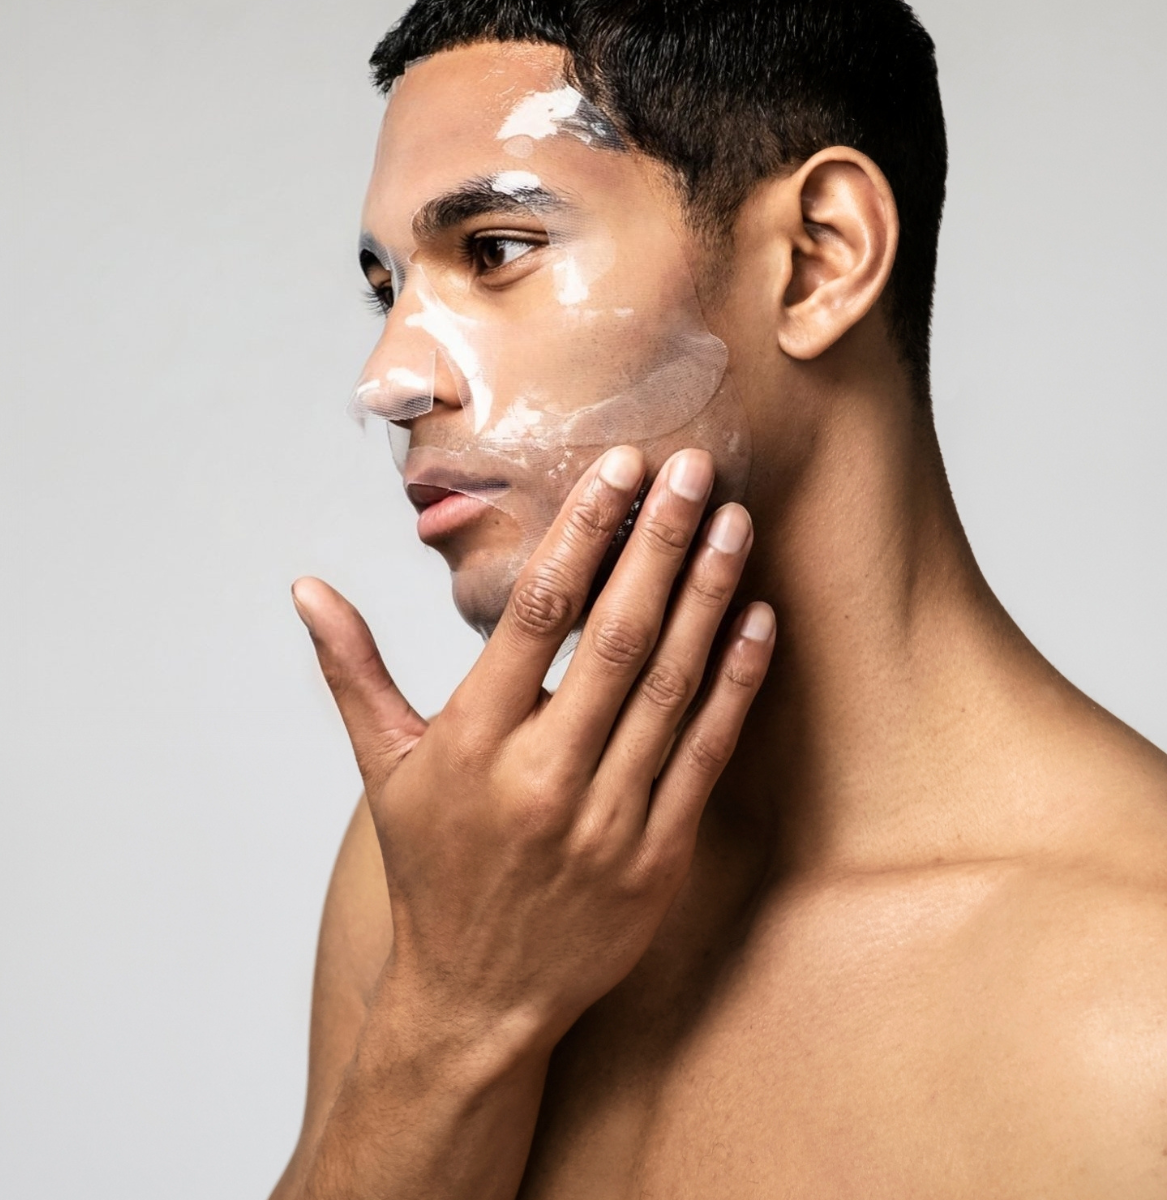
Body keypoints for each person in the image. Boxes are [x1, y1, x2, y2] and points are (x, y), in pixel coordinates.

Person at [273, 2, 1167, 1196]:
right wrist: (451, 1022)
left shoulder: (1137, 998)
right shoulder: (452, 871)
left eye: (493, 250)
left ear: (818, 258)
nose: (387, 377)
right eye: (388, 286)